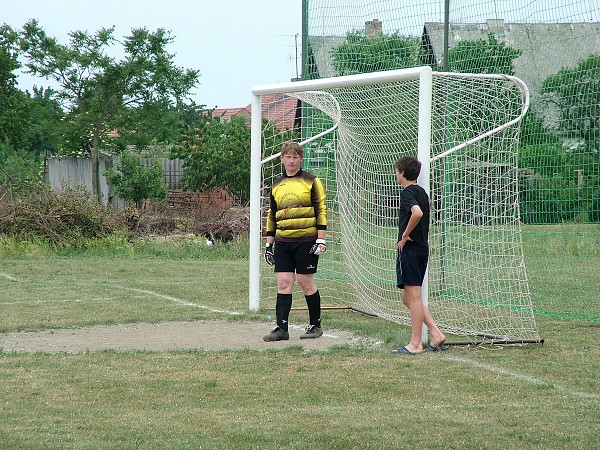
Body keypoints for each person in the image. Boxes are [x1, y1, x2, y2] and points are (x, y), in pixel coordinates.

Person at [263, 141, 328, 342]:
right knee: (284, 282)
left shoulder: (311, 181)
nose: (291, 161)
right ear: (282, 158)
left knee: (305, 282)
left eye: (295, 157)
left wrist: (321, 239)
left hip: (306, 241)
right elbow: (272, 215)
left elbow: (321, 210)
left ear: (301, 159)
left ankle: (315, 325)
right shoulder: (276, 184)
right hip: (283, 242)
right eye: (288, 157)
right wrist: (268, 244)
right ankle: (281, 329)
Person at [393, 156, 448, 355]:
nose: (396, 174)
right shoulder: (422, 192)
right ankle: (436, 333)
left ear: (401, 173)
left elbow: (417, 214)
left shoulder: (407, 192)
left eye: (396, 171)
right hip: (421, 250)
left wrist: (405, 236)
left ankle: (415, 344)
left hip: (411, 250)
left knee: (413, 297)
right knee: (407, 298)